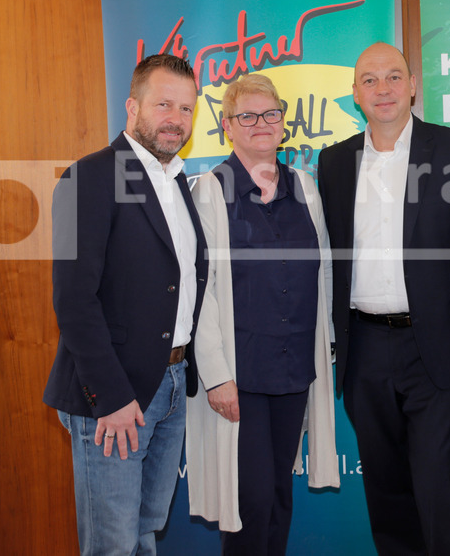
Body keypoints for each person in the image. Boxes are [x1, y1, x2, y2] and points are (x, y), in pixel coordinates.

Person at [317, 41, 450, 555]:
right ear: (355, 93)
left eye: (393, 77)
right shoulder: (333, 163)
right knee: (387, 493)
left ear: (412, 85)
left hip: (443, 353)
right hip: (363, 351)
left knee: (440, 490)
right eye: (370, 80)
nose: (383, 89)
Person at [43, 53, 208, 555]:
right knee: (111, 543)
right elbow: (73, 301)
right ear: (132, 107)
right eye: (163, 104)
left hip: (173, 384)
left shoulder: (178, 181)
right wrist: (111, 397)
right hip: (115, 396)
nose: (175, 119)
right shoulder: (87, 178)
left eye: (186, 108)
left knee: (144, 531)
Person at [185, 74, 339, 555]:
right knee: (249, 502)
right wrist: (216, 375)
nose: (260, 124)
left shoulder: (306, 189)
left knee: (278, 494)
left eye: (270, 114)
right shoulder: (209, 191)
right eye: (247, 116)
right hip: (239, 375)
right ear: (227, 126)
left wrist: (328, 348)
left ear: (283, 123)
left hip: (293, 370)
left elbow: (325, 274)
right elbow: (200, 291)